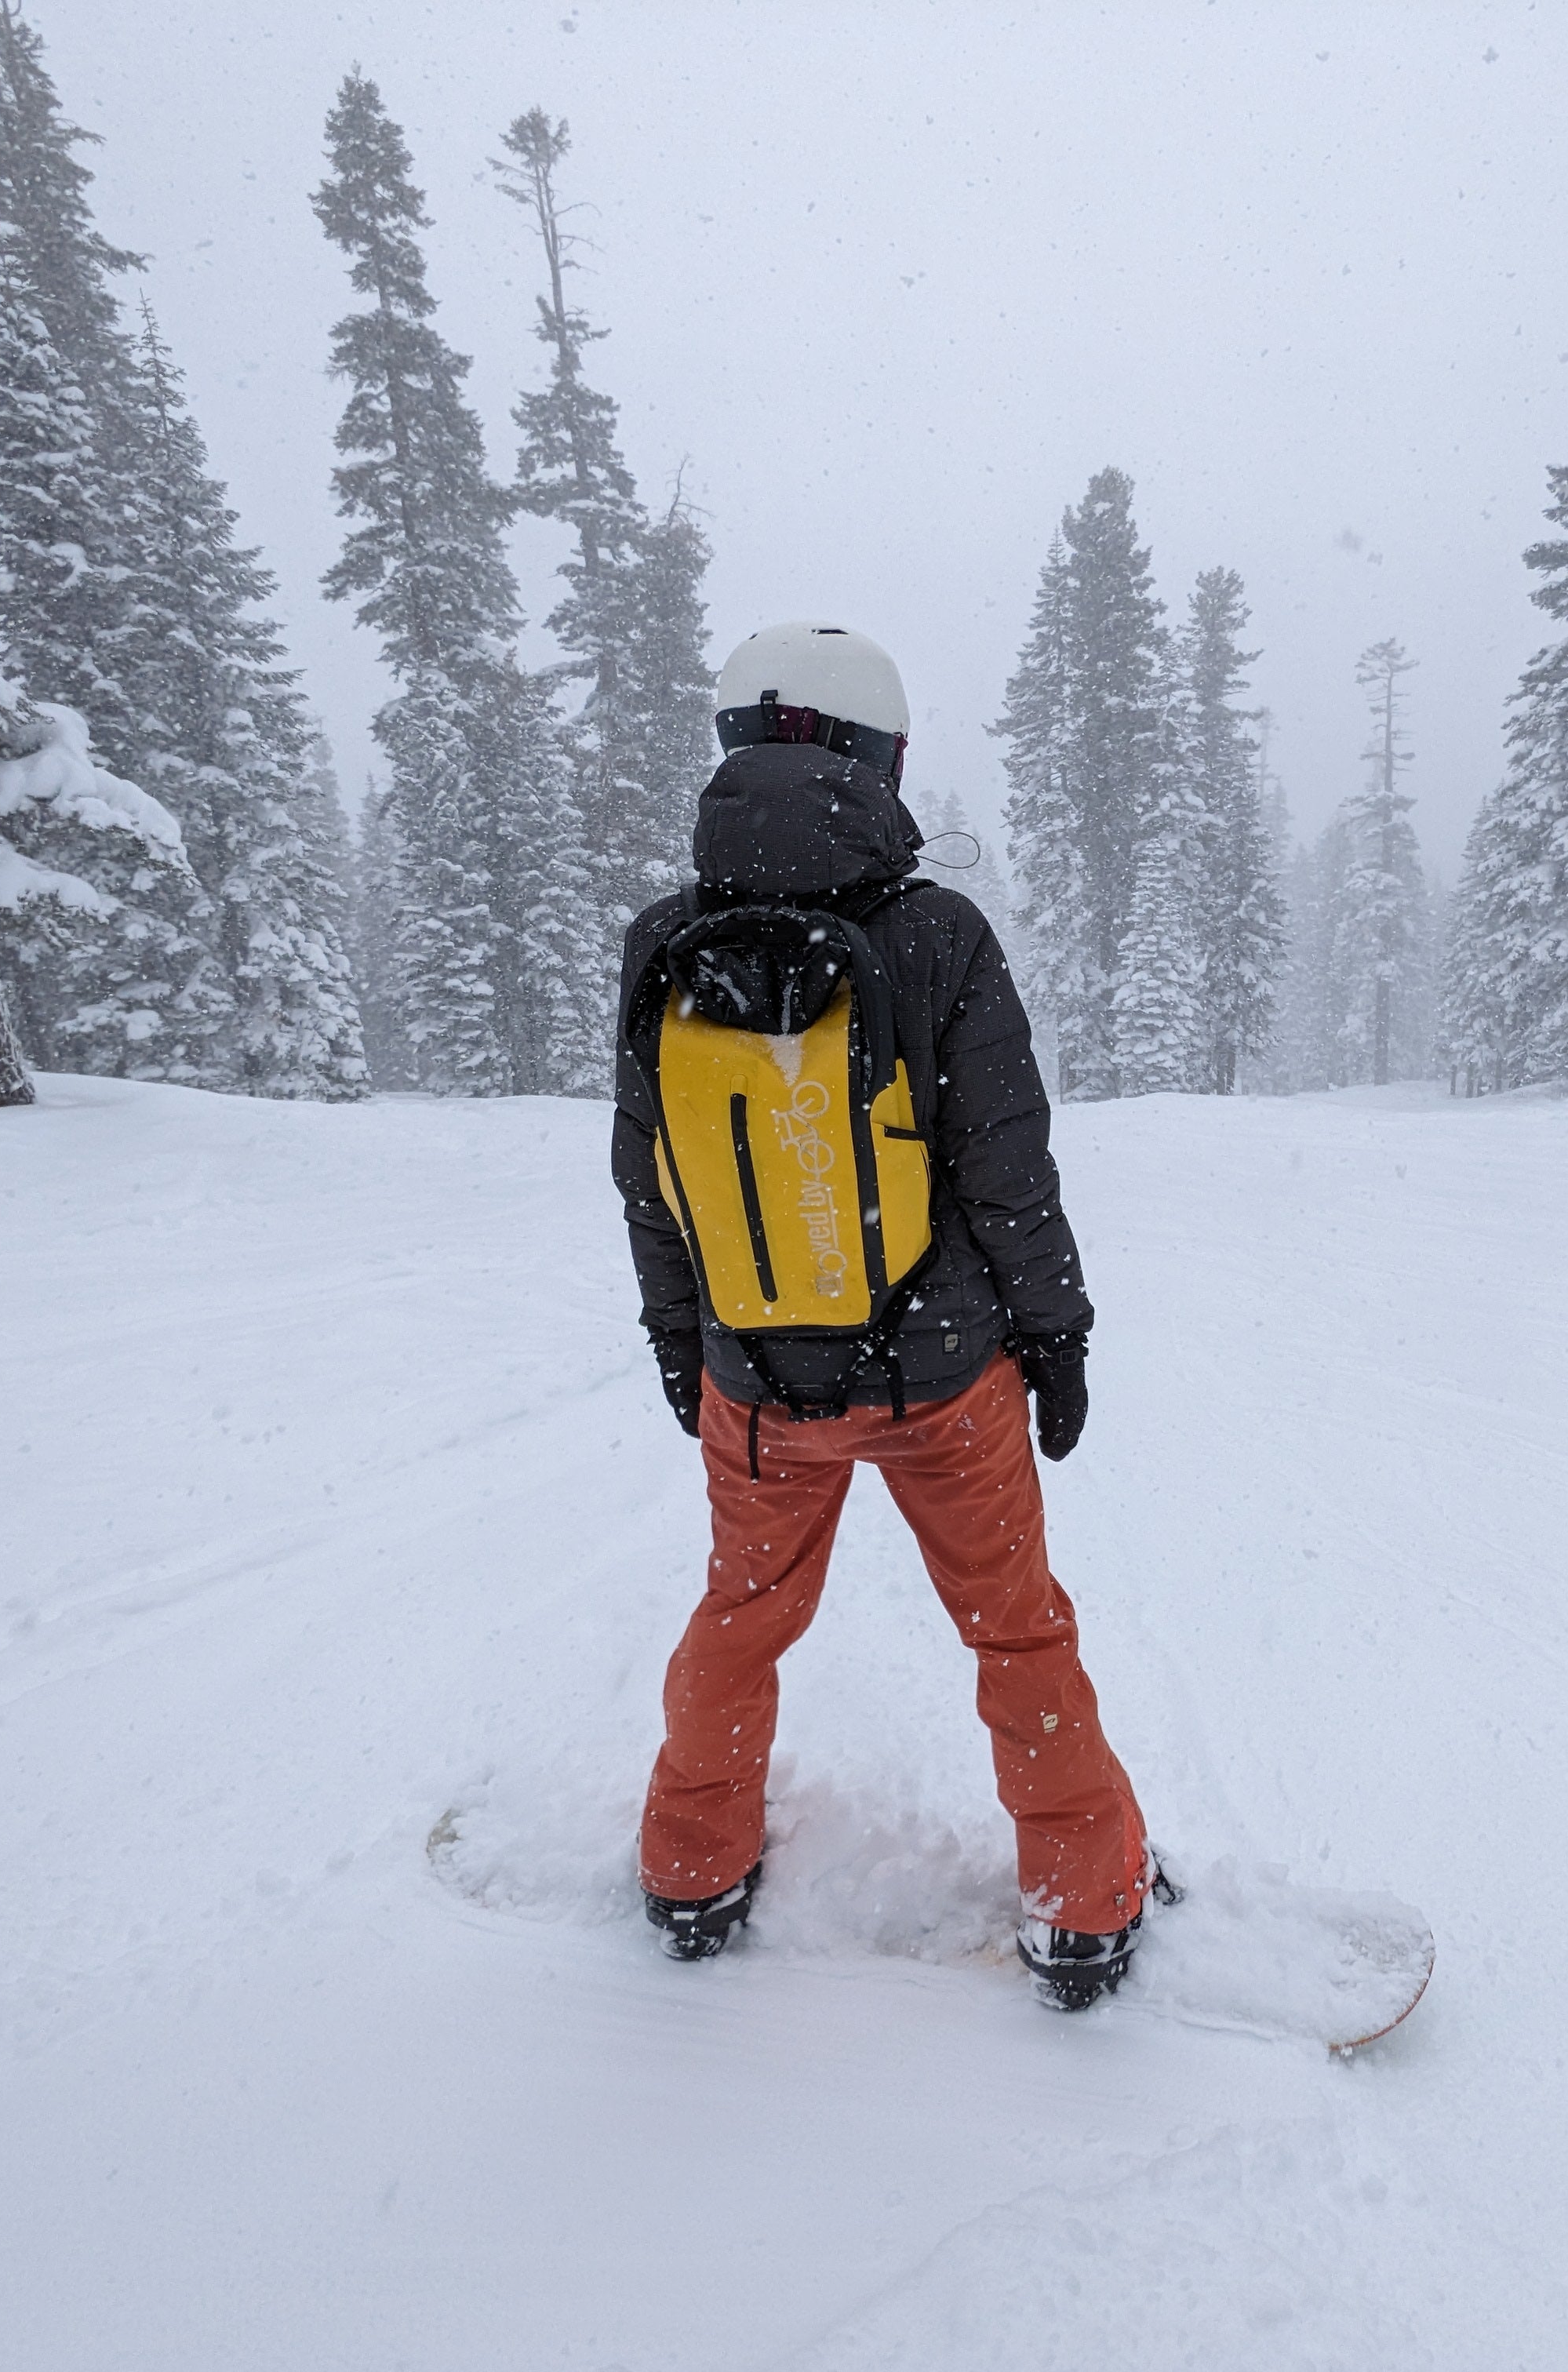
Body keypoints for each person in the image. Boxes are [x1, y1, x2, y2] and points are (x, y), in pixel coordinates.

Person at [609, 620, 1159, 2010]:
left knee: (740, 1621)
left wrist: (688, 1351)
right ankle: (1085, 1902)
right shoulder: (936, 936)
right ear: (879, 754)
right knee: (1015, 1628)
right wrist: (1058, 1337)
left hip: (754, 1388)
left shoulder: (665, 941)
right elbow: (1006, 1169)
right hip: (944, 1382)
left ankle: (691, 1867)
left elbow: (652, 1178)